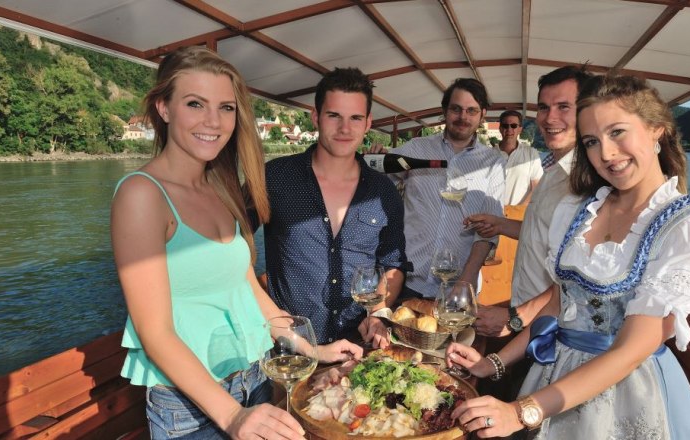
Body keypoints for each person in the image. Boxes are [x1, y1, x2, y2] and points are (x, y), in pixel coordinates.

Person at [446, 73, 690, 439]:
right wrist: (493, 363)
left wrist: (522, 410)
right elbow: (560, 304)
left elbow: (630, 351)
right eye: (592, 141)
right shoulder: (579, 209)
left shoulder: (688, 230)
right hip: (553, 376)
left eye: (618, 132)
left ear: (657, 130)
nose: (606, 154)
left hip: (626, 395)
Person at [111, 46, 361, 439]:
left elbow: (246, 288)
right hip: (192, 408)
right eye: (196, 104)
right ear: (163, 108)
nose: (214, 121)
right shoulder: (142, 195)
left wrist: (312, 350)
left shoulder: (219, 187)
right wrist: (232, 416)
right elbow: (153, 331)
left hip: (254, 379)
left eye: (226, 108)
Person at [264, 67, 410, 347]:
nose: (345, 129)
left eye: (355, 118)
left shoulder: (384, 192)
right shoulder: (274, 178)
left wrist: (378, 312)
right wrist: (267, 311)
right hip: (289, 345)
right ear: (316, 117)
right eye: (334, 116)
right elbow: (233, 249)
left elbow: (392, 263)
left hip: (357, 344)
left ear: (368, 123)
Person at [467, 66, 592, 338]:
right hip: (528, 321)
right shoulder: (552, 172)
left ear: (587, 112)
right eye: (544, 108)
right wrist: (500, 224)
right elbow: (541, 233)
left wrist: (516, 317)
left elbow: (581, 279)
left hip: (560, 329)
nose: (550, 118)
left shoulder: (590, 184)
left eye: (563, 107)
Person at [382, 78, 505, 299]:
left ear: (482, 114)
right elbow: (380, 184)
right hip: (407, 281)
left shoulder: (493, 162)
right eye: (456, 109)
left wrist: (465, 281)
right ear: (445, 111)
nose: (463, 117)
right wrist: (377, 158)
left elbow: (488, 232)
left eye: (471, 111)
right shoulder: (415, 149)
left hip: (458, 288)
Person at [493, 110, 543, 206]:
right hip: (492, 214)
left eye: (513, 126)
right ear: (500, 128)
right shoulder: (488, 154)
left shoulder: (531, 154)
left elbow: (537, 187)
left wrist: (518, 210)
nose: (509, 129)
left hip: (519, 215)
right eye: (505, 125)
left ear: (520, 129)